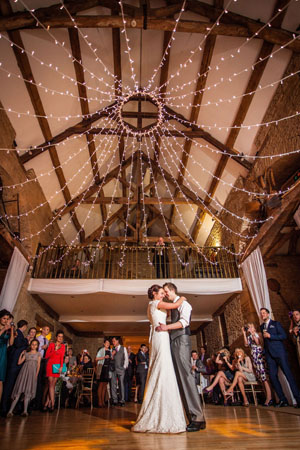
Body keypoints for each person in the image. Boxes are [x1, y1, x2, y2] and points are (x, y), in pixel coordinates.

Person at [132, 284, 186, 433]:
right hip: (160, 335)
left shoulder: (152, 305)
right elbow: (174, 305)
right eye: (161, 293)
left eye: (164, 293)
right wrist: (182, 297)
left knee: (162, 366)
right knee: (162, 366)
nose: (163, 295)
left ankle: (162, 403)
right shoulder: (155, 302)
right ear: (154, 293)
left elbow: (165, 314)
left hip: (159, 335)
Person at [156, 283, 206, 431]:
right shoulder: (174, 305)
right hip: (174, 341)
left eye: (166, 292)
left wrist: (166, 327)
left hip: (182, 341)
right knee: (179, 379)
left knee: (186, 377)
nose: (165, 294)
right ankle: (192, 418)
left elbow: (184, 322)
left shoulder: (185, 304)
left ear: (172, 290)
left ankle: (198, 417)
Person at [260, 307, 300, 407]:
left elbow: (283, 336)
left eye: (264, 313)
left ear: (268, 314)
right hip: (269, 355)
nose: (263, 315)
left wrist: (271, 336)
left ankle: (298, 398)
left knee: (288, 375)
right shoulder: (262, 327)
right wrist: (264, 352)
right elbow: (265, 342)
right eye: (261, 314)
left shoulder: (275, 324)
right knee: (273, 377)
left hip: (279, 353)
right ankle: (283, 399)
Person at [7, 339, 41, 417]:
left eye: (35, 344)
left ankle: (25, 411)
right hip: (24, 373)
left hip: (32, 374)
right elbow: (19, 362)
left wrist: (36, 375)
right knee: (19, 391)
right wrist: (21, 354)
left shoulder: (38, 354)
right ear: (30, 345)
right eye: (33, 344)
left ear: (37, 346)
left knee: (28, 392)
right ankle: (10, 411)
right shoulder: (27, 354)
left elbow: (38, 365)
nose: (34, 346)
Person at [1, 319, 28, 415]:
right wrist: (26, 340)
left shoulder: (19, 334)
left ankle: (8, 406)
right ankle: (3, 407)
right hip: (13, 363)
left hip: (17, 364)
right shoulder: (18, 333)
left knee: (12, 386)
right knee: (8, 385)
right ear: (24, 326)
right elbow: (17, 344)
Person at [243, 323, 272, 406]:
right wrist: (244, 333)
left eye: (251, 327)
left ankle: (269, 397)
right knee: (260, 378)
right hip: (254, 357)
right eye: (249, 328)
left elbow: (258, 342)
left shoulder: (258, 334)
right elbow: (246, 345)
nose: (250, 329)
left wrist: (253, 333)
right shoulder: (248, 337)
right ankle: (266, 396)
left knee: (264, 377)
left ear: (254, 328)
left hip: (259, 355)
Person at [43, 330, 65, 412]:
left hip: (57, 367)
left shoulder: (63, 346)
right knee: (51, 384)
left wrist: (61, 367)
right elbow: (47, 355)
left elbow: (62, 357)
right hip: (50, 365)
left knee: (52, 385)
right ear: (56, 337)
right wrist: (54, 350)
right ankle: (52, 403)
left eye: (62, 337)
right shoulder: (52, 345)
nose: (60, 338)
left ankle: (46, 404)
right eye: (59, 336)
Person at [0, 310, 14, 404]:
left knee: (0, 380)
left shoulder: (8, 330)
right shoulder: (3, 329)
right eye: (4, 318)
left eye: (7, 319)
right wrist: (4, 329)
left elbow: (11, 343)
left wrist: (11, 330)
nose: (5, 320)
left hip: (3, 354)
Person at [111, 337, 128, 406]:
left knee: (121, 385)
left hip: (121, 369)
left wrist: (124, 367)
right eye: (112, 341)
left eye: (114, 341)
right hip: (113, 369)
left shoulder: (123, 348)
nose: (113, 342)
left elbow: (126, 358)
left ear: (117, 341)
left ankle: (122, 400)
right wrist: (112, 354)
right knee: (113, 385)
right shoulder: (112, 349)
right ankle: (114, 400)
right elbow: (111, 359)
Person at [96, 339, 111, 407]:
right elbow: (96, 358)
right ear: (104, 343)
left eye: (108, 343)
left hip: (108, 369)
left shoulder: (110, 351)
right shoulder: (101, 350)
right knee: (101, 384)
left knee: (105, 385)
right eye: (106, 343)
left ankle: (103, 400)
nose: (108, 344)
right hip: (102, 368)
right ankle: (99, 401)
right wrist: (104, 357)